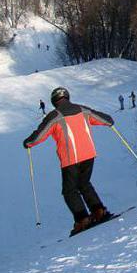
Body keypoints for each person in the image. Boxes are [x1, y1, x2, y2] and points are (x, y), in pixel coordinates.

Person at [23, 87, 115, 235]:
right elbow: (106, 119)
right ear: (67, 97)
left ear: (54, 101)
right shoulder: (82, 109)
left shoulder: (55, 116)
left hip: (70, 158)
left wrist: (28, 142)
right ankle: (99, 211)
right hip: (89, 154)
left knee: (69, 191)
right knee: (84, 184)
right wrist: (109, 122)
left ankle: (82, 219)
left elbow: (40, 134)